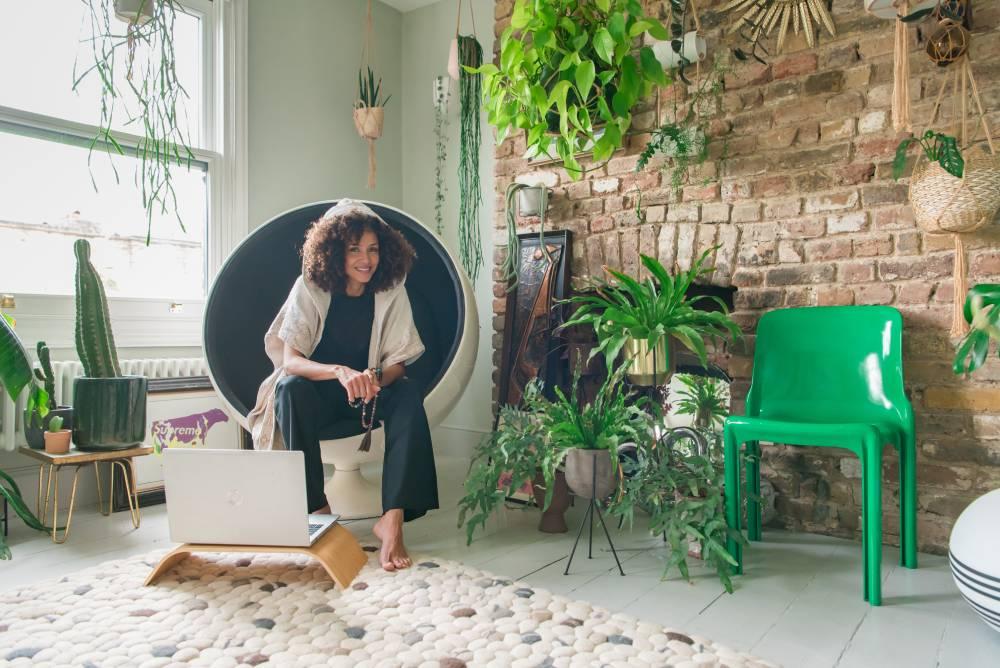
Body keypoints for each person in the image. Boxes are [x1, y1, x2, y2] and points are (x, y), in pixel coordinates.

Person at [247, 199, 438, 571]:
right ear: (335, 252)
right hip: (318, 396)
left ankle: (392, 520)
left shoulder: (391, 288)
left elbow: (398, 362)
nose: (366, 259)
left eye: (373, 249)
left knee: (408, 392)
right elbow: (291, 361)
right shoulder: (310, 286)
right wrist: (339, 372)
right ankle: (318, 511)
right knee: (289, 389)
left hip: (366, 396)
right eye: (354, 249)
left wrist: (373, 379)